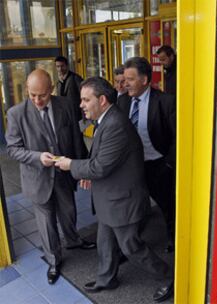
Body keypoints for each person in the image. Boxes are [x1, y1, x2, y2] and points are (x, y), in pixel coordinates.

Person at [55, 77, 172, 298]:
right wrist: (87, 170)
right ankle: (106, 279)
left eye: (85, 100)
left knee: (131, 247)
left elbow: (99, 167)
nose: (81, 105)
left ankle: (168, 277)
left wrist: (71, 165)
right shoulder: (106, 120)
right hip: (110, 199)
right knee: (105, 242)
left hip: (122, 201)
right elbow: (101, 157)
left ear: (102, 100)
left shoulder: (116, 125)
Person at [5, 69, 95, 285]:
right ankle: (54, 260)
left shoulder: (65, 105)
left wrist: (81, 168)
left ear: (52, 89)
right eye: (32, 94)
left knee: (69, 212)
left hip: (64, 174)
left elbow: (75, 138)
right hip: (37, 178)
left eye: (42, 95)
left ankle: (73, 240)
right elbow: (13, 149)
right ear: (27, 89)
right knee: (46, 224)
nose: (37, 100)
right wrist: (37, 157)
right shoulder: (16, 114)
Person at [119, 56, 176, 302]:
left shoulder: (165, 102)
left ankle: (174, 244)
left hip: (158, 166)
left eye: (130, 79)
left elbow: (178, 136)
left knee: (168, 208)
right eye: (125, 79)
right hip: (131, 169)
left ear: (144, 80)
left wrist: (168, 164)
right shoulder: (121, 102)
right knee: (134, 207)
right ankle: (130, 245)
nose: (125, 84)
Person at [55, 56, 84, 121]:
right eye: (58, 66)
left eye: (62, 66)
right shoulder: (58, 83)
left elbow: (84, 95)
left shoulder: (76, 78)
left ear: (67, 66)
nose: (60, 69)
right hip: (65, 116)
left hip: (77, 115)